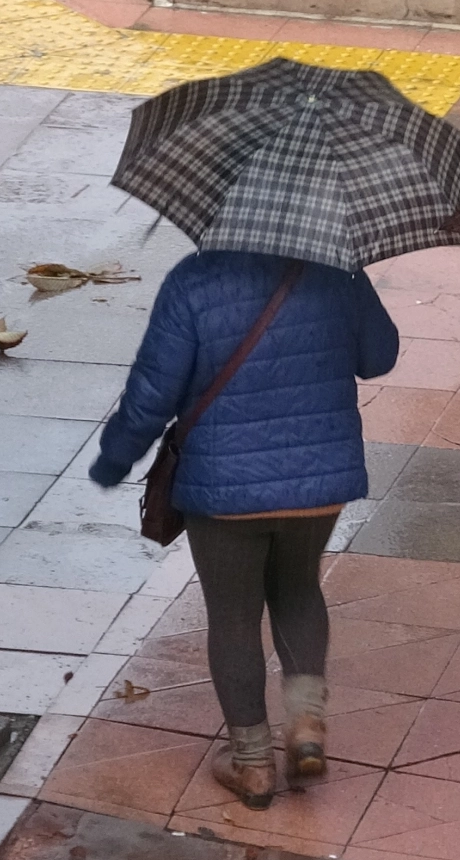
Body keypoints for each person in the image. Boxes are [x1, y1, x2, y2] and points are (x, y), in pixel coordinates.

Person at [90, 250, 398, 810]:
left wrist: (115, 459)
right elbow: (378, 358)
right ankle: (306, 722)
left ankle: (253, 764)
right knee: (299, 589)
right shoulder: (337, 270)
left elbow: (152, 393)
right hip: (317, 480)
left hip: (223, 487)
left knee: (233, 616)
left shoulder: (193, 280)